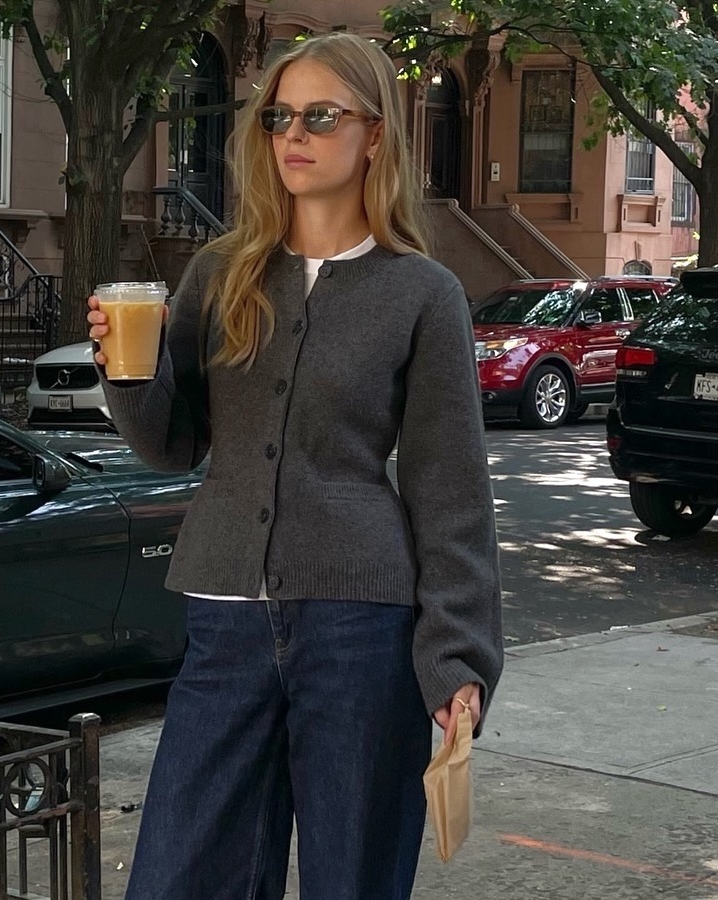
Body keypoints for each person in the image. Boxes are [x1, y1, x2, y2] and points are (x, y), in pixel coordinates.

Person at [86, 32, 503, 900]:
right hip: (226, 624)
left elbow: (448, 490)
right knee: (180, 875)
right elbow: (172, 443)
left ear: (376, 135)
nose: (293, 136)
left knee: (352, 876)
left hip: (362, 632)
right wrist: (128, 370)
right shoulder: (220, 273)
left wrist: (458, 658)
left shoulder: (423, 293)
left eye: (321, 115)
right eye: (280, 116)